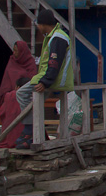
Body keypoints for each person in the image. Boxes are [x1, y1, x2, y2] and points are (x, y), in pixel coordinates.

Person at [15, 9, 74, 149]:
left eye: (38, 24)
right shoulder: (54, 36)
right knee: (34, 102)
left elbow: (54, 62)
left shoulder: (57, 37)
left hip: (52, 79)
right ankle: (35, 131)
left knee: (22, 93)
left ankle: (30, 131)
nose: (38, 27)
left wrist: (45, 81)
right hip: (49, 78)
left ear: (42, 24)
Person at [0, 41, 37, 149]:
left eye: (16, 51)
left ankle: (27, 135)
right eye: (13, 50)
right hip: (12, 93)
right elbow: (6, 82)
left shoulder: (30, 63)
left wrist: (21, 89)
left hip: (26, 94)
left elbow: (32, 80)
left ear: (22, 52)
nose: (14, 53)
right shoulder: (12, 61)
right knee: (11, 99)